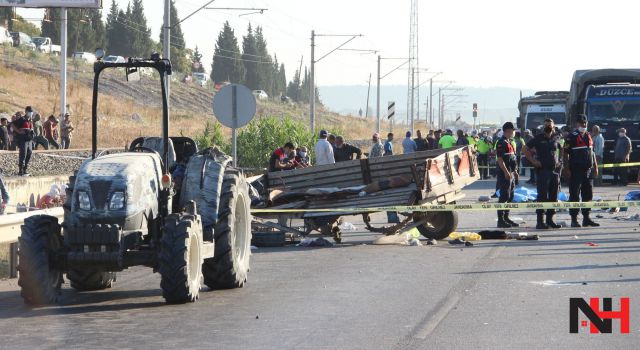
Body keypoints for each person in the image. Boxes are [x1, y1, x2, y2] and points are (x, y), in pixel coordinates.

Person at [523, 119, 562, 230]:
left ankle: (550, 220)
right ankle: (540, 222)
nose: (548, 127)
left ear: (553, 126)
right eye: (546, 125)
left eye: (549, 125)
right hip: (542, 171)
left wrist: (560, 161)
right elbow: (525, 149)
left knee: (553, 196)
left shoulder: (557, 137)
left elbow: (562, 148)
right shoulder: (538, 138)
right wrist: (533, 161)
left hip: (554, 171)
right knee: (542, 196)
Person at [563, 115, 599, 227]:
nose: (583, 126)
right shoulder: (571, 137)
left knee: (588, 195)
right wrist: (567, 168)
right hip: (575, 171)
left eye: (585, 124)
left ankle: (586, 218)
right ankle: (574, 219)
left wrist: (595, 166)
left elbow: (592, 153)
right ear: (576, 124)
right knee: (574, 195)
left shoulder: (588, 136)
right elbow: (565, 154)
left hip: (588, 171)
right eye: (581, 124)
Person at [495, 122, 519, 228]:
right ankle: (500, 220)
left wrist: (515, 172)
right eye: (512, 130)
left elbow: (513, 159)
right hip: (505, 174)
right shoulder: (501, 142)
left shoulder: (509, 142)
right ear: (507, 131)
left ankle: (506, 217)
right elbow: (500, 160)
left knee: (510, 196)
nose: (514, 132)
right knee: (504, 196)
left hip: (511, 173)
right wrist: (506, 172)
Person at [12, 109, 34, 176]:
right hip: (23, 140)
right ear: (26, 112)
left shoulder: (30, 120)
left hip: (29, 140)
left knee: (29, 153)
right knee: (23, 154)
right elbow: (13, 124)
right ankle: (20, 171)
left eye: (31, 112)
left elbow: (31, 128)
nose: (31, 113)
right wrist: (18, 132)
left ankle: (25, 170)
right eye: (30, 112)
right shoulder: (22, 119)